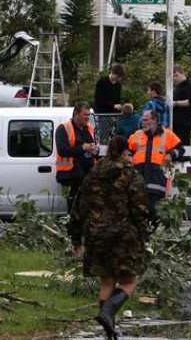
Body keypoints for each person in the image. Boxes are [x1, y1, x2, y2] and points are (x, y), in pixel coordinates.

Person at [72, 136, 150, 340]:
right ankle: (107, 312)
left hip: (96, 235)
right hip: (124, 236)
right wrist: (144, 234)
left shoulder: (92, 175)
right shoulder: (132, 176)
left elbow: (79, 207)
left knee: (107, 281)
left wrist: (75, 238)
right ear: (125, 152)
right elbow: (139, 208)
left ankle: (109, 331)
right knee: (130, 280)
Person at [55, 101, 99, 255]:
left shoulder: (90, 129)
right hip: (71, 175)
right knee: (74, 211)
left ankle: (86, 244)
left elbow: (95, 148)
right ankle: (74, 244)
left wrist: (94, 149)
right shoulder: (64, 128)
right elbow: (63, 149)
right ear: (76, 114)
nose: (87, 118)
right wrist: (83, 148)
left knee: (89, 211)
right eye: (85, 115)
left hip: (88, 175)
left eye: (89, 115)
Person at [127, 110, 184, 227]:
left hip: (156, 183)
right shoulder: (137, 135)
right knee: (137, 215)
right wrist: (128, 157)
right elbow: (127, 149)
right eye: (143, 120)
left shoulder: (167, 134)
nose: (143, 122)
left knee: (154, 214)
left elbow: (180, 149)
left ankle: (152, 239)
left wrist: (171, 155)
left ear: (155, 121)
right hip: (138, 183)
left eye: (146, 120)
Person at [172, 66, 191, 145]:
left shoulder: (190, 86)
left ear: (183, 73)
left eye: (176, 75)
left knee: (184, 144)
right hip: (175, 121)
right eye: (173, 76)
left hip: (184, 121)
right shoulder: (177, 87)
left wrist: (176, 103)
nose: (174, 78)